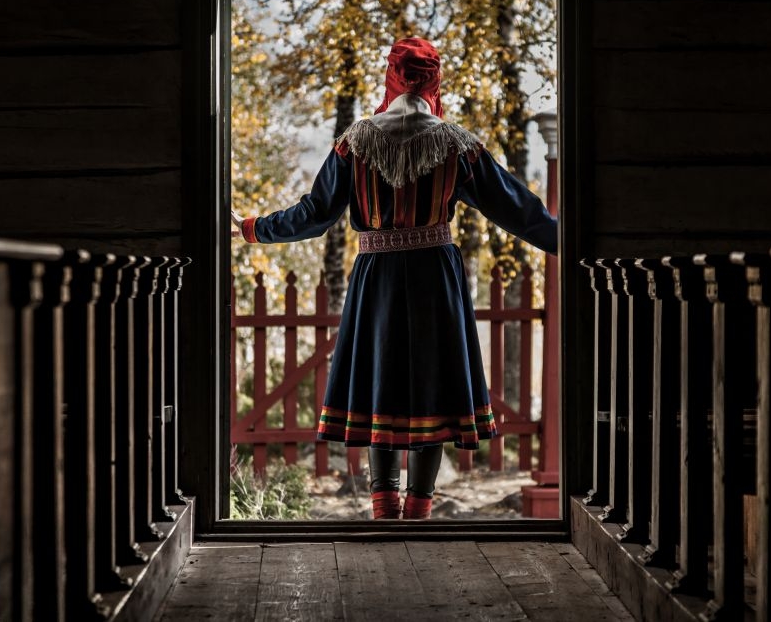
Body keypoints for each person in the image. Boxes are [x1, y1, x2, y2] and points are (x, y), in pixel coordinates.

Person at [232, 37, 558, 520]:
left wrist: (254, 228)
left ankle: (383, 507)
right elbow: (518, 209)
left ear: (391, 75)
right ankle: (418, 512)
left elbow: (315, 213)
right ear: (434, 80)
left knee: (378, 379)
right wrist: (573, 243)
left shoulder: (356, 142)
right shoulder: (456, 144)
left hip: (376, 277)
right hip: (435, 277)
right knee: (435, 383)